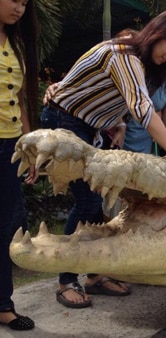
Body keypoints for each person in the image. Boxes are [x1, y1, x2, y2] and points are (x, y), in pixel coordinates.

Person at [39, 11, 166, 309]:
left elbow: (118, 100)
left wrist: (116, 123)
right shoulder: (124, 53)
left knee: (99, 199)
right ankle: (66, 279)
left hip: (89, 127)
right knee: (87, 203)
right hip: (64, 120)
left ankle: (93, 274)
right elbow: (143, 109)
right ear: (157, 34)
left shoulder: (141, 63)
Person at [0, 0, 38, 330]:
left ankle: (3, 305)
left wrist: (28, 148)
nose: (19, 9)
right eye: (14, 0)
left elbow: (22, 101)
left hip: (9, 147)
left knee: (7, 226)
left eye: (24, 4)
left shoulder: (16, 45)